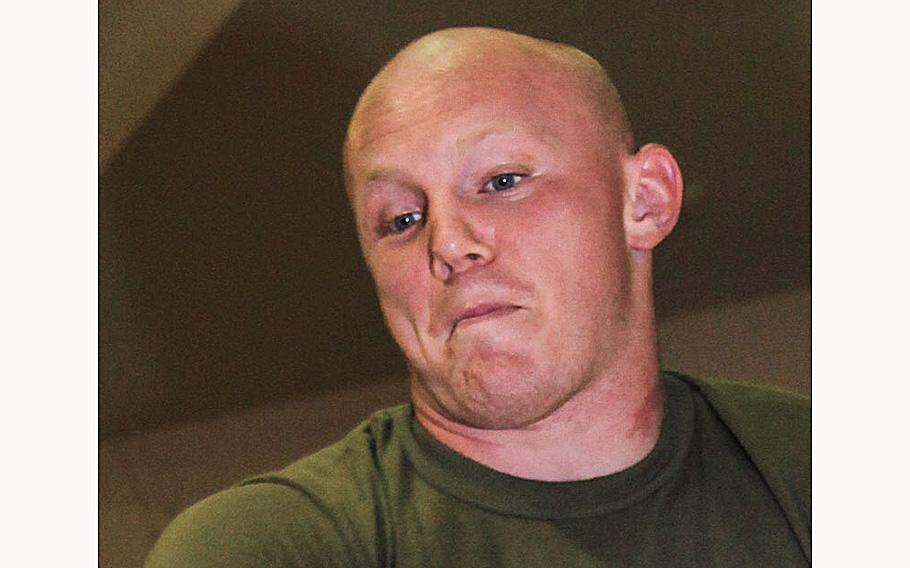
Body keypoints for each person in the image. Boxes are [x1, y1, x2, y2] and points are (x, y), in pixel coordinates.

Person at [146, 27, 810, 567]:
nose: (449, 244)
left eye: (501, 181)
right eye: (401, 219)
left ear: (645, 200)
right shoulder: (270, 548)